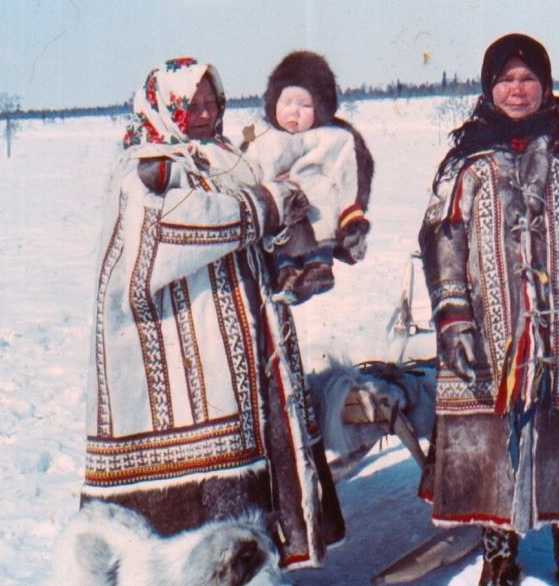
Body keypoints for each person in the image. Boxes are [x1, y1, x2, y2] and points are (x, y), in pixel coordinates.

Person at [79, 56, 345, 571]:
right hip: (181, 351)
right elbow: (171, 231)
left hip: (241, 347)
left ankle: (252, 568)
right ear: (164, 109)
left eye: (209, 102)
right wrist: (263, 206)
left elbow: (269, 216)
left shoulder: (225, 158)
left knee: (255, 465)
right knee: (195, 500)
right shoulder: (147, 168)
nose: (203, 114)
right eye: (190, 105)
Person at [418, 34, 559, 586]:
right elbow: (443, 241)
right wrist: (454, 317)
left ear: (546, 85)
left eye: (528, 79)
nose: (517, 90)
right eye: (506, 79)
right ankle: (499, 555)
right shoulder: (466, 162)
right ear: (489, 88)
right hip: (488, 329)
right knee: (492, 442)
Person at [241, 50, 374, 304]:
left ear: (321, 108)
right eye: (286, 103)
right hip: (280, 213)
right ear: (273, 103)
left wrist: (351, 216)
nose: (294, 112)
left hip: (317, 208)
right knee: (280, 233)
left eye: (305, 105)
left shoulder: (333, 137)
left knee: (321, 200)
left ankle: (319, 265)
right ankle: (286, 273)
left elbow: (348, 175)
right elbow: (247, 169)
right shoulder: (262, 137)